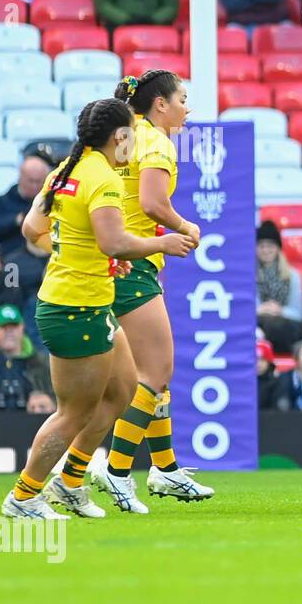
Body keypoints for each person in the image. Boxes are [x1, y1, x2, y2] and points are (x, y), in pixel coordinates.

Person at [3, 98, 194, 519]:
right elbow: (114, 242)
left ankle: (70, 483)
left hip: (84, 299)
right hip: (76, 308)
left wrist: (79, 253)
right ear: (119, 137)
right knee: (74, 412)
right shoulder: (103, 178)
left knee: (123, 389)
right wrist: (163, 242)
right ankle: (24, 495)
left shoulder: (64, 171)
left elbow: (31, 228)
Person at [83, 71, 214, 511]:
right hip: (133, 263)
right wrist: (185, 227)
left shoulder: (126, 135)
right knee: (155, 373)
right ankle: (116, 471)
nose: (187, 108)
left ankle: (166, 468)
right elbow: (152, 204)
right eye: (182, 98)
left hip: (114, 263)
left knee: (152, 375)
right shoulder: (157, 142)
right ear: (160, 104)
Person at [0, 303, 53, 413]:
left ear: (22, 326)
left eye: (13, 326)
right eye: (4, 327)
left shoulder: (43, 363)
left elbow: (59, 399)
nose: (9, 332)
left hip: (33, 425)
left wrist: (48, 403)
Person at [254, 220, 302, 354]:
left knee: (279, 326)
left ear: (278, 248)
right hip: (258, 322)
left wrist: (280, 310)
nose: (266, 250)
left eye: (270, 246)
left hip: (286, 328)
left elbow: (298, 313)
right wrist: (261, 309)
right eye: (261, 246)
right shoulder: (249, 275)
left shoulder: (292, 275)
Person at [0, 154, 51, 257]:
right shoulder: (1, 202)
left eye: (39, 181)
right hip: (9, 261)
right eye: (31, 180)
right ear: (20, 177)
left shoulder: (52, 202)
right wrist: (16, 220)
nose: (34, 186)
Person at [256, 339, 278, 409]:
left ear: (269, 362)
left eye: (262, 359)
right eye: (255, 359)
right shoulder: (243, 382)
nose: (258, 364)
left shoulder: (276, 383)